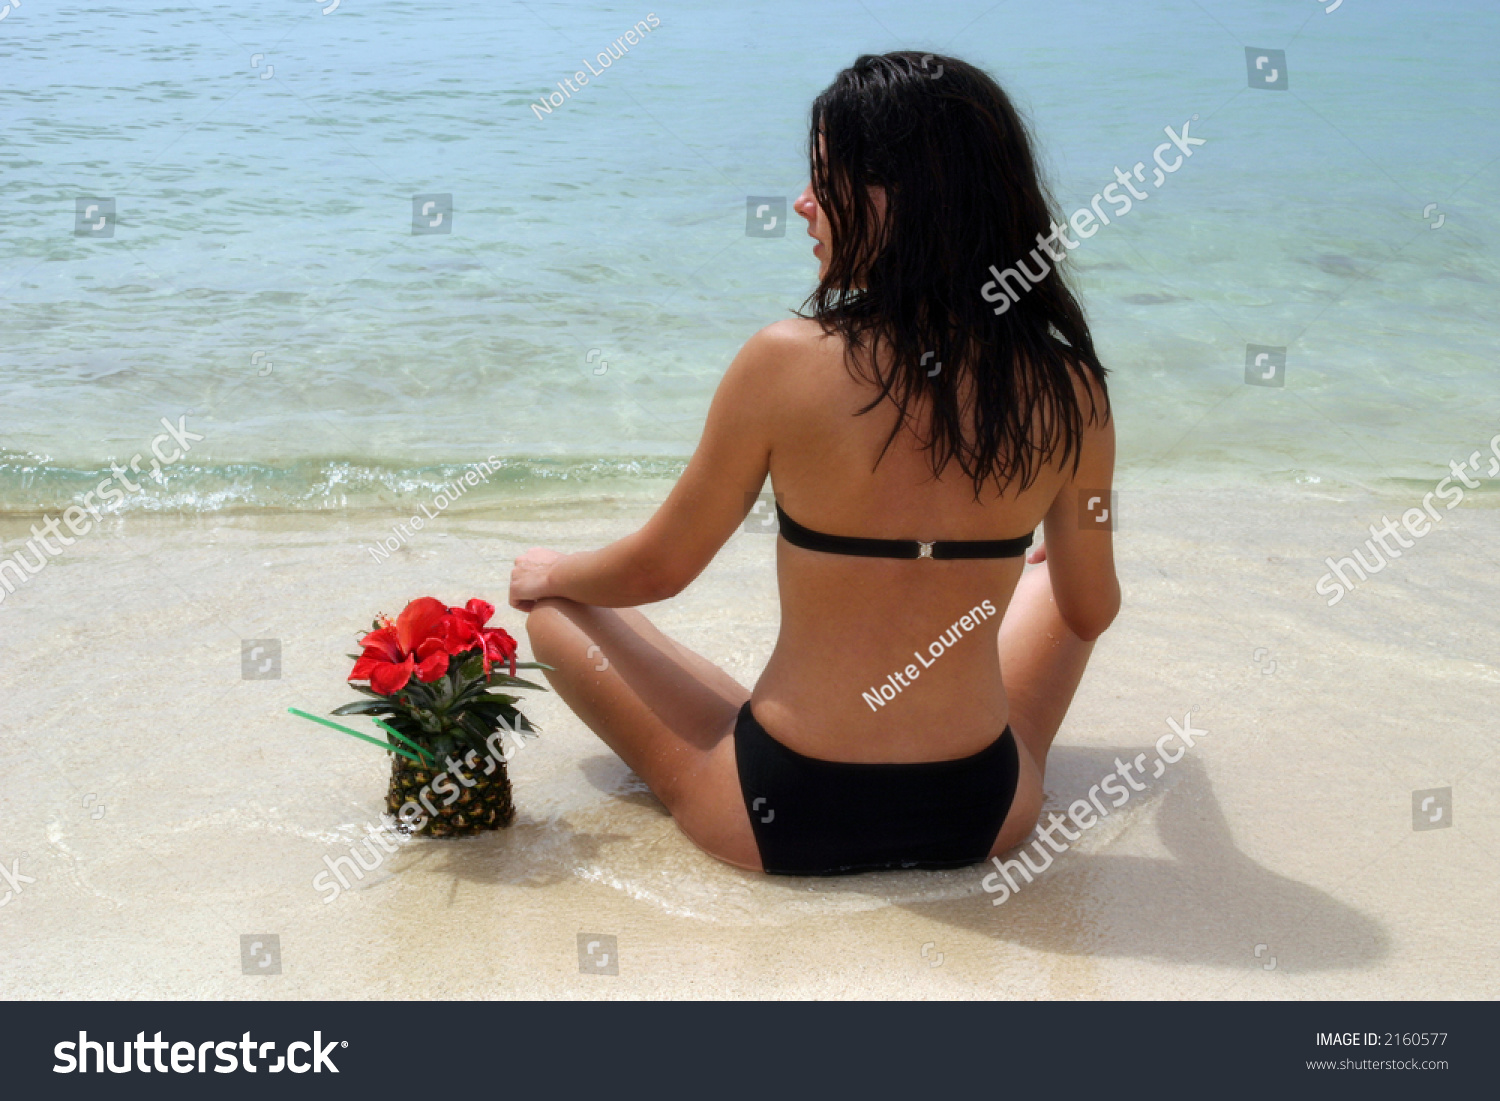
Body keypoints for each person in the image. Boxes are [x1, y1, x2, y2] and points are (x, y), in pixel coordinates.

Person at [509, 52, 1119, 876]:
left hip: (782, 813)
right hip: (981, 814)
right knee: (1050, 577)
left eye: (821, 180)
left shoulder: (782, 361)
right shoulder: (1073, 387)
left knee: (556, 613)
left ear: (893, 195)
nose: (802, 204)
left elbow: (658, 569)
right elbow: (1090, 608)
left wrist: (556, 568)